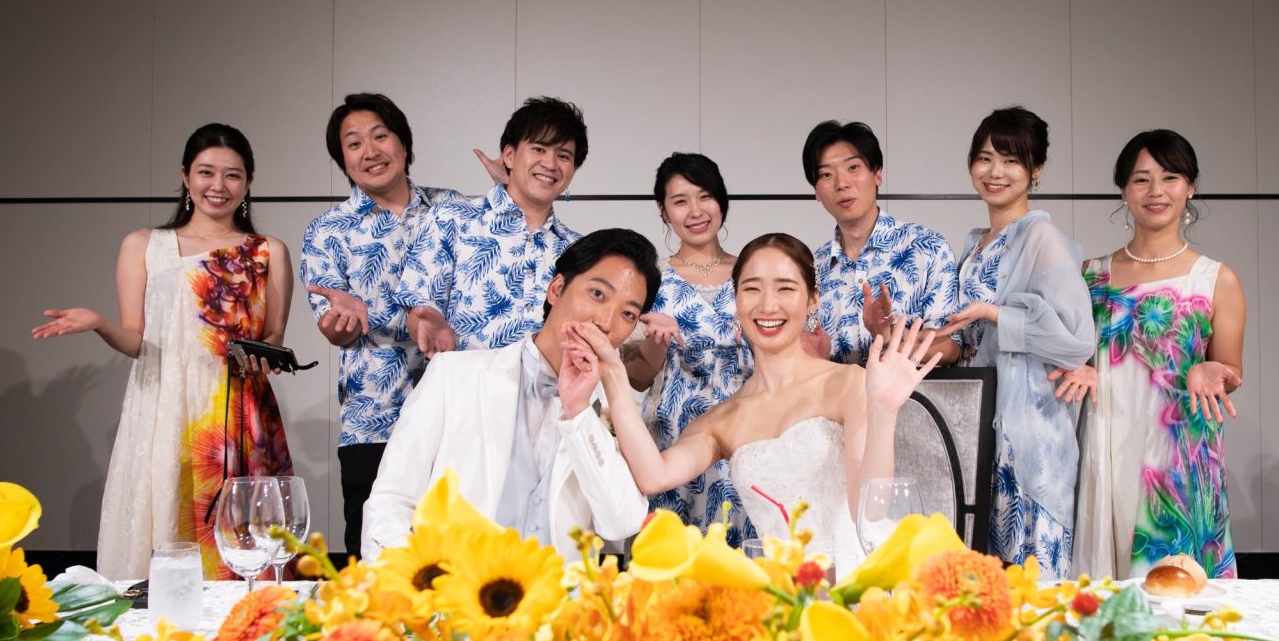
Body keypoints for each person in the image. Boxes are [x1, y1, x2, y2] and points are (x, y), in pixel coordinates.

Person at [570, 234, 941, 578]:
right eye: (752, 288)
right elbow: (654, 476)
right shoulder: (723, 419)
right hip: (783, 598)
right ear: (736, 300)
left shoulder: (850, 383)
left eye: (785, 288)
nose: (767, 305)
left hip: (860, 586)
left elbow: (870, 511)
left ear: (812, 300)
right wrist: (613, 374)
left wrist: (883, 411)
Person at [34, 124, 294, 581]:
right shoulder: (144, 245)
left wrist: (266, 355)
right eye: (206, 172)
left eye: (232, 175)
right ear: (185, 176)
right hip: (161, 407)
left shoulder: (267, 252)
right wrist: (100, 324)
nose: (218, 185)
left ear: (248, 182)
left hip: (233, 412)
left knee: (238, 544)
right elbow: (136, 341)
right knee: (165, 519)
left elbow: (273, 337)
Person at [363, 229, 658, 561]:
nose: (605, 322)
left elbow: (621, 523)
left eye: (628, 314)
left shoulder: (617, 405)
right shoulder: (453, 375)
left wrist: (578, 414)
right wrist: (405, 583)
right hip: (455, 586)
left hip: (560, 590)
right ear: (556, 289)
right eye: (598, 294)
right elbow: (391, 501)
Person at [1056, 130, 1246, 580]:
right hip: (1105, 442)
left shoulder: (1216, 279)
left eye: (1170, 177)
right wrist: (1078, 367)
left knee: (1176, 589)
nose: (1156, 191)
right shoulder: (1089, 276)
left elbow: (1231, 370)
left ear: (1190, 187)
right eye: (1141, 179)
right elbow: (1070, 355)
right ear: (1124, 190)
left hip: (1176, 455)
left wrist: (1212, 369)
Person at [300, 92, 472, 563]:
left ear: (403, 142)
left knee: (460, 552)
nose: (370, 151)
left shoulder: (453, 208)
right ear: (342, 158)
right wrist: (343, 322)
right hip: (374, 412)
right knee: (376, 553)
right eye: (354, 143)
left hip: (457, 410)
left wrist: (509, 186)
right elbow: (333, 328)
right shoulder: (327, 229)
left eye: (380, 136)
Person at [940, 108, 1096, 573]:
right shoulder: (975, 242)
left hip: (1029, 437)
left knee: (1033, 585)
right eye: (985, 158)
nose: (995, 171)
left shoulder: (1041, 237)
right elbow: (969, 336)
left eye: (1011, 160)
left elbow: (1075, 341)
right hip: (979, 426)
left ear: (1036, 170)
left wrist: (994, 314)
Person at [621, 153, 753, 537]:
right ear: (664, 212)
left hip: (748, 433)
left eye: (705, 196)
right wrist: (657, 344)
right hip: (673, 438)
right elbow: (638, 377)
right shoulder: (651, 281)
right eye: (680, 201)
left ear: (721, 201)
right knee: (674, 552)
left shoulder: (756, 272)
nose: (695, 211)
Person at [391, 96, 587, 354]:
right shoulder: (451, 219)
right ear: (509, 155)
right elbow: (420, 310)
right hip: (463, 378)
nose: (550, 164)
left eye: (563, 155)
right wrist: (428, 324)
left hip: (551, 382)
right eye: (539, 149)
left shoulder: (578, 250)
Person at [803, 120, 960, 366]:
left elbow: (950, 347)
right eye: (826, 174)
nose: (841, 183)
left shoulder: (928, 248)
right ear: (816, 191)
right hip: (831, 393)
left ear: (877, 174)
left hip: (910, 392)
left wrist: (887, 337)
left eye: (853, 167)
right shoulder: (811, 267)